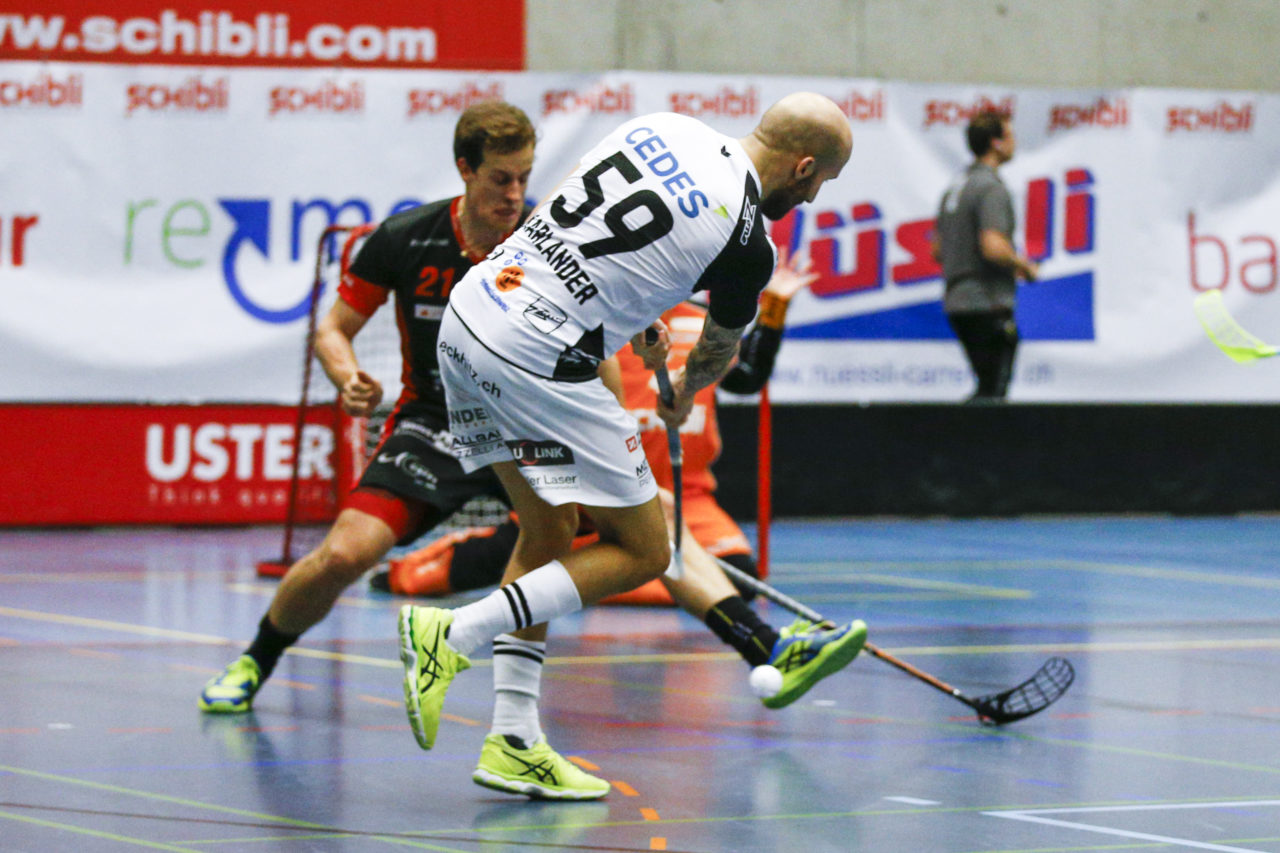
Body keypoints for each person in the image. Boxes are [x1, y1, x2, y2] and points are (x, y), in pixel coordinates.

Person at [399, 92, 868, 799]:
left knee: (549, 529)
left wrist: (629, 312)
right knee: (649, 548)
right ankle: (453, 633)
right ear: (803, 168)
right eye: (820, 182)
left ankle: (514, 739)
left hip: (473, 314)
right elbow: (715, 354)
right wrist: (683, 391)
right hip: (537, 353)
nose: (810, 198)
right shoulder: (749, 244)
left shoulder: (665, 128)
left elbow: (575, 219)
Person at [198, 101, 538, 715]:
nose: (514, 194)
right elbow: (333, 329)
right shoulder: (407, 239)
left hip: (529, 428)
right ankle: (255, 659)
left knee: (607, 545)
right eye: (500, 178)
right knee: (343, 555)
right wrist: (347, 376)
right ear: (465, 169)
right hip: (436, 425)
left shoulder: (551, 245)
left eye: (523, 178)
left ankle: (512, 708)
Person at [375, 252, 842, 683]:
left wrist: (770, 312)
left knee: (706, 561)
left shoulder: (698, 323)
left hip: (675, 495)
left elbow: (744, 377)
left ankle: (574, 600)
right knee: (525, 553)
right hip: (582, 482)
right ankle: (467, 601)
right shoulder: (584, 320)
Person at [932, 109, 1039, 402]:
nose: (1015, 142)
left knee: (986, 388)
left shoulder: (955, 187)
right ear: (996, 143)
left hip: (957, 301)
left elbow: (937, 249)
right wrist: (1024, 266)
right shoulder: (990, 187)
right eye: (1011, 135)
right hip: (987, 301)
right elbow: (993, 246)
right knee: (993, 394)